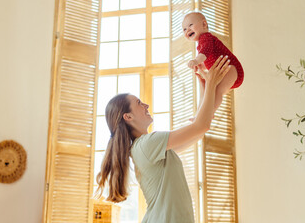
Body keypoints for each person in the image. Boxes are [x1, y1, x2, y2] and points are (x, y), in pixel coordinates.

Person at [95, 56, 231, 223]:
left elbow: (199, 128)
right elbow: (200, 126)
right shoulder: (148, 144)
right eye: (139, 103)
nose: (146, 106)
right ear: (128, 116)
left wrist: (205, 88)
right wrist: (211, 84)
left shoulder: (149, 147)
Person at [182, 12, 244, 113]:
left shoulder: (206, 37)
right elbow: (208, 59)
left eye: (190, 25)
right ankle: (200, 114)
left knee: (217, 91)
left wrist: (196, 60)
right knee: (210, 92)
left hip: (231, 68)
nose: (187, 30)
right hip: (225, 72)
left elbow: (205, 52)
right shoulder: (201, 43)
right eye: (184, 29)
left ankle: (208, 113)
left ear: (204, 24)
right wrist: (201, 65)